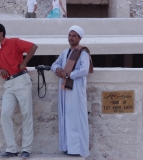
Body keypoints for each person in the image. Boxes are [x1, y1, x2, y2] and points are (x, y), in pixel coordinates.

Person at [0, 23, 38, 158]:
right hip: (8, 84)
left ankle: (26, 149)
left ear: (1, 34)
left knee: (26, 114)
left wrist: (24, 63)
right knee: (5, 114)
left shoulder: (14, 42)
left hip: (21, 80)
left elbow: (33, 46)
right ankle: (11, 149)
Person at [51, 25, 93, 157]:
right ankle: (67, 147)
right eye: (70, 35)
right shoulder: (65, 52)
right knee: (66, 117)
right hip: (64, 88)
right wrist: (57, 70)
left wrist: (68, 75)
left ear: (79, 38)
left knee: (76, 118)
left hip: (75, 89)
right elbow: (55, 64)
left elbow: (84, 70)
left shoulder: (83, 53)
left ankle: (77, 149)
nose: (71, 38)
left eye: (74, 36)